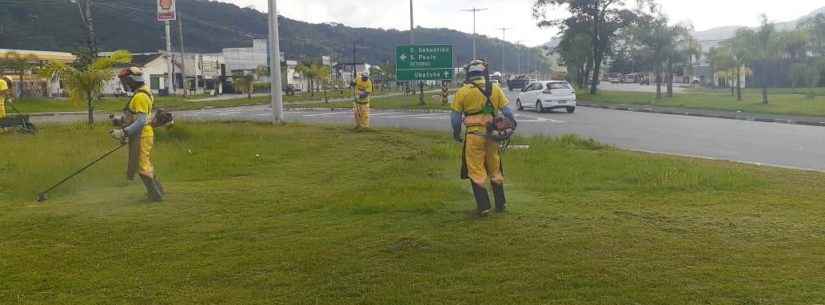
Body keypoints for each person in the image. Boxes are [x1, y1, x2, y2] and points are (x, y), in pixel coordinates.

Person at [450, 59, 517, 216]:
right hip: (492, 136)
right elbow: (507, 112)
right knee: (495, 168)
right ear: (483, 73)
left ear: (469, 74)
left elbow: (455, 118)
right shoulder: (495, 88)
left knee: (476, 169)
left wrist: (456, 132)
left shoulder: (463, 92)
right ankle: (501, 204)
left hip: (474, 136)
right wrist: (511, 126)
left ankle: (484, 207)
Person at [110, 67, 164, 202]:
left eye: (124, 81)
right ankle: (159, 191)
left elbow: (141, 121)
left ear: (131, 80)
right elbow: (136, 116)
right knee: (144, 163)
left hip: (142, 135)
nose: (123, 84)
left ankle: (155, 195)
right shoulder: (144, 91)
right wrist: (119, 120)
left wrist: (123, 132)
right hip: (142, 133)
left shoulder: (140, 96)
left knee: (142, 165)